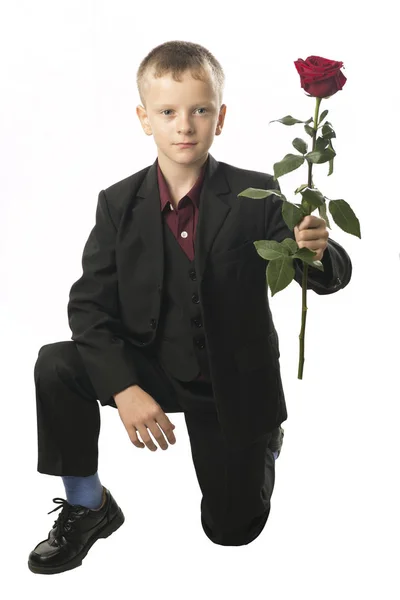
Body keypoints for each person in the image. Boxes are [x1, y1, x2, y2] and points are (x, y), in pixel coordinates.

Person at [28, 40, 352, 575]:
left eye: (200, 110)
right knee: (57, 362)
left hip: (230, 381)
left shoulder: (258, 193)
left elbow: (323, 275)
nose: (185, 125)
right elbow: (88, 308)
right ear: (144, 119)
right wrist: (123, 387)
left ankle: (262, 442)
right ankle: (88, 505)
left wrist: (318, 250)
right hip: (152, 365)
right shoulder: (118, 203)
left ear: (220, 118)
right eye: (168, 112)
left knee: (232, 531)